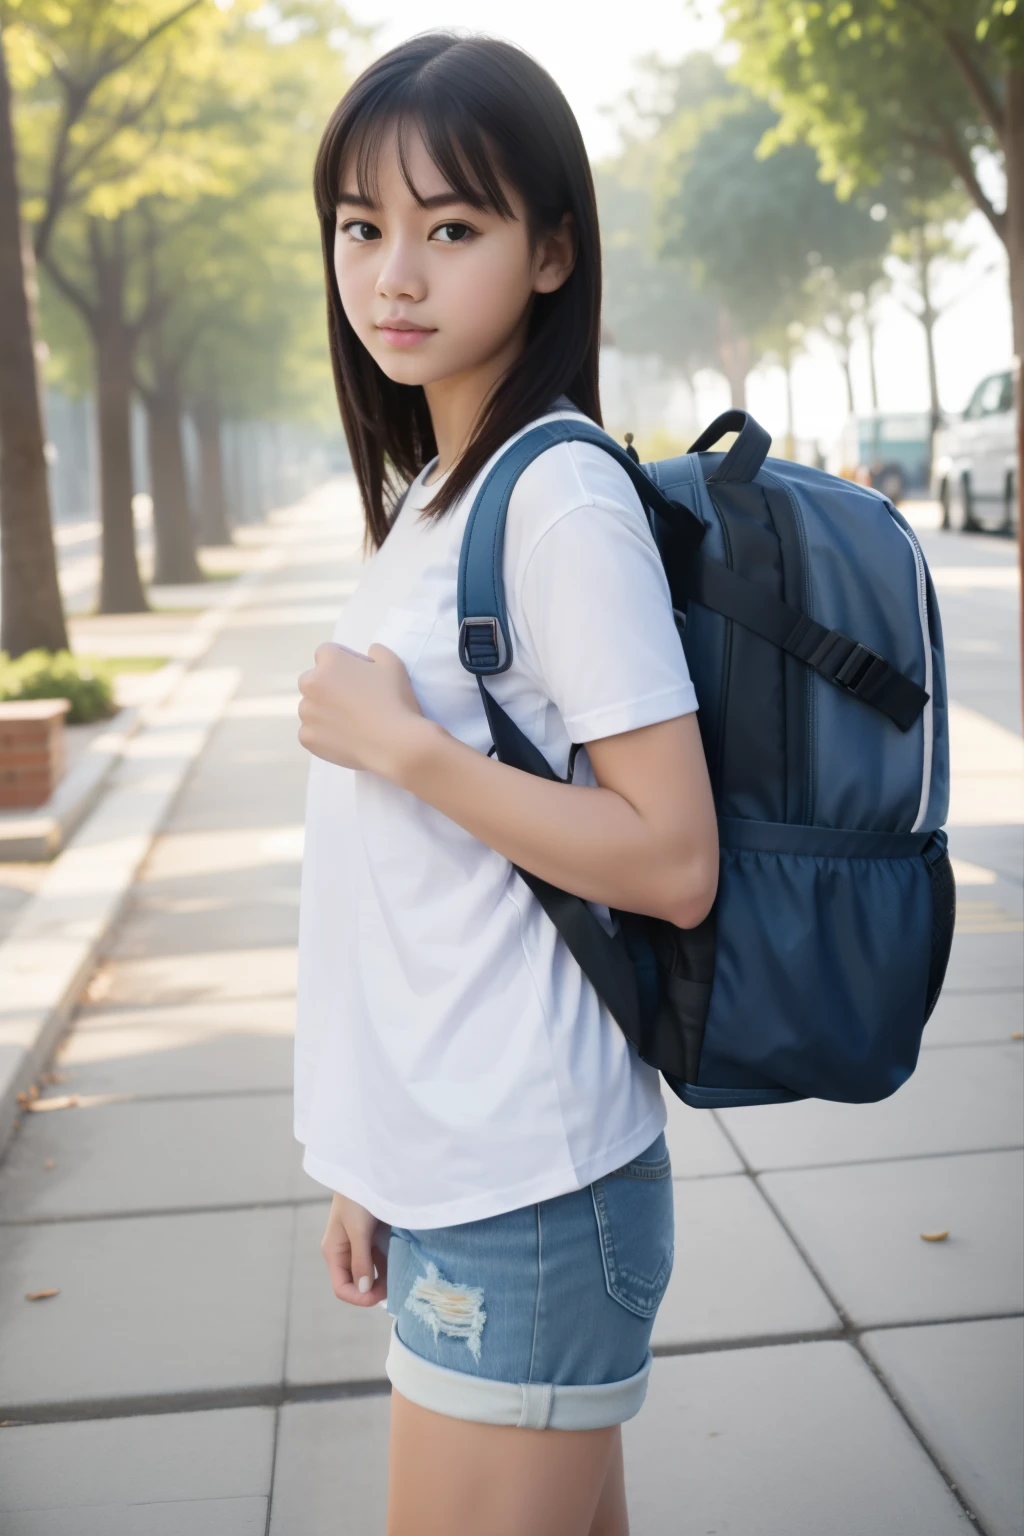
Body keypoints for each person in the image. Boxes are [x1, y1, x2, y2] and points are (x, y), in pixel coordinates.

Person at [295, 32, 718, 1536]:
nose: (393, 274)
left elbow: (672, 857)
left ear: (551, 251)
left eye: (450, 228)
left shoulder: (557, 497)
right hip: (463, 1170)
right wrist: (371, 1162)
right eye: (363, 226)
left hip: (530, 1186)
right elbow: (413, 907)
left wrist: (410, 749)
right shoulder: (434, 490)